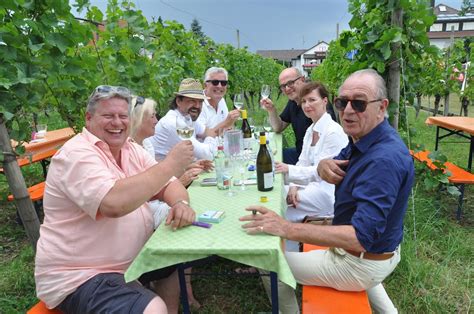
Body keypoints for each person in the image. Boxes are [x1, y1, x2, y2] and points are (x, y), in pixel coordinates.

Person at [241, 69, 415, 313]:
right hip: (381, 250)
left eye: (359, 103)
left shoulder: (382, 160)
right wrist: (322, 165)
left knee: (270, 264)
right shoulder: (365, 138)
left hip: (357, 259)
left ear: (382, 107)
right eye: (342, 102)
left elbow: (360, 237)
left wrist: (287, 228)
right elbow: (330, 163)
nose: (348, 110)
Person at [35, 85, 196, 314]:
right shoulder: (77, 154)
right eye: (108, 116)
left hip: (129, 263)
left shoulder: (130, 149)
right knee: (152, 309)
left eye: (123, 116)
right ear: (88, 118)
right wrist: (170, 164)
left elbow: (170, 184)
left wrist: (181, 203)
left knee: (168, 261)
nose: (117, 123)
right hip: (81, 275)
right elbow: (113, 203)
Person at [129, 95, 208, 309]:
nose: (157, 120)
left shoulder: (145, 143)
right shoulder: (128, 147)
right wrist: (180, 179)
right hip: (139, 209)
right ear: (137, 119)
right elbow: (142, 191)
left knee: (189, 209)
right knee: (185, 220)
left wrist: (185, 172)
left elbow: (157, 177)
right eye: (152, 116)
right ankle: (184, 268)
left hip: (149, 203)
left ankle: (180, 282)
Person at [274, 82, 348, 252]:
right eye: (304, 101)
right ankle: (289, 255)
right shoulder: (311, 129)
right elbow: (303, 162)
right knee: (279, 194)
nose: (307, 105)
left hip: (327, 194)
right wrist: (293, 186)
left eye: (312, 100)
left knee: (277, 203)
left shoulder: (333, 132)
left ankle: (284, 258)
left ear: (324, 101)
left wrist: (288, 170)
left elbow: (322, 173)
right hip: (311, 187)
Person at [150, 78, 236, 160]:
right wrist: (210, 139)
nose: (197, 106)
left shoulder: (188, 117)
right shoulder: (175, 123)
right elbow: (208, 154)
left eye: (200, 102)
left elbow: (210, 132)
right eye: (192, 101)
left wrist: (209, 137)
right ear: (178, 101)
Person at [260, 67, 312, 165]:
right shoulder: (293, 101)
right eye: (283, 86)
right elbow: (278, 127)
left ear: (302, 79)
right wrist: (271, 109)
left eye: (290, 83)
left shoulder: (314, 103)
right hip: (300, 153)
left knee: (270, 162)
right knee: (267, 156)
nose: (287, 88)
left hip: (312, 160)